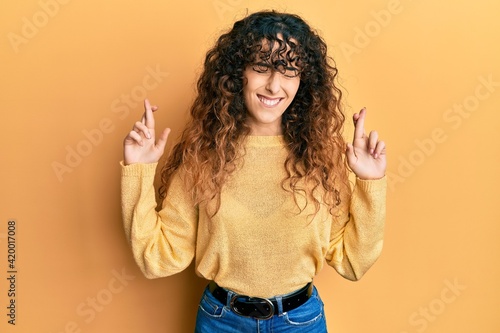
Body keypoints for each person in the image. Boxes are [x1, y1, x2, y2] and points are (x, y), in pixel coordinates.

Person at [121, 10, 386, 333]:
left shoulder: (320, 158)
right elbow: (157, 258)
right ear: (237, 74)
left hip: (300, 322)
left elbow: (352, 261)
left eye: (289, 70)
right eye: (261, 67)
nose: (274, 85)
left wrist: (369, 183)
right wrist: (138, 171)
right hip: (222, 322)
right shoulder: (204, 157)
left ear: (304, 80)